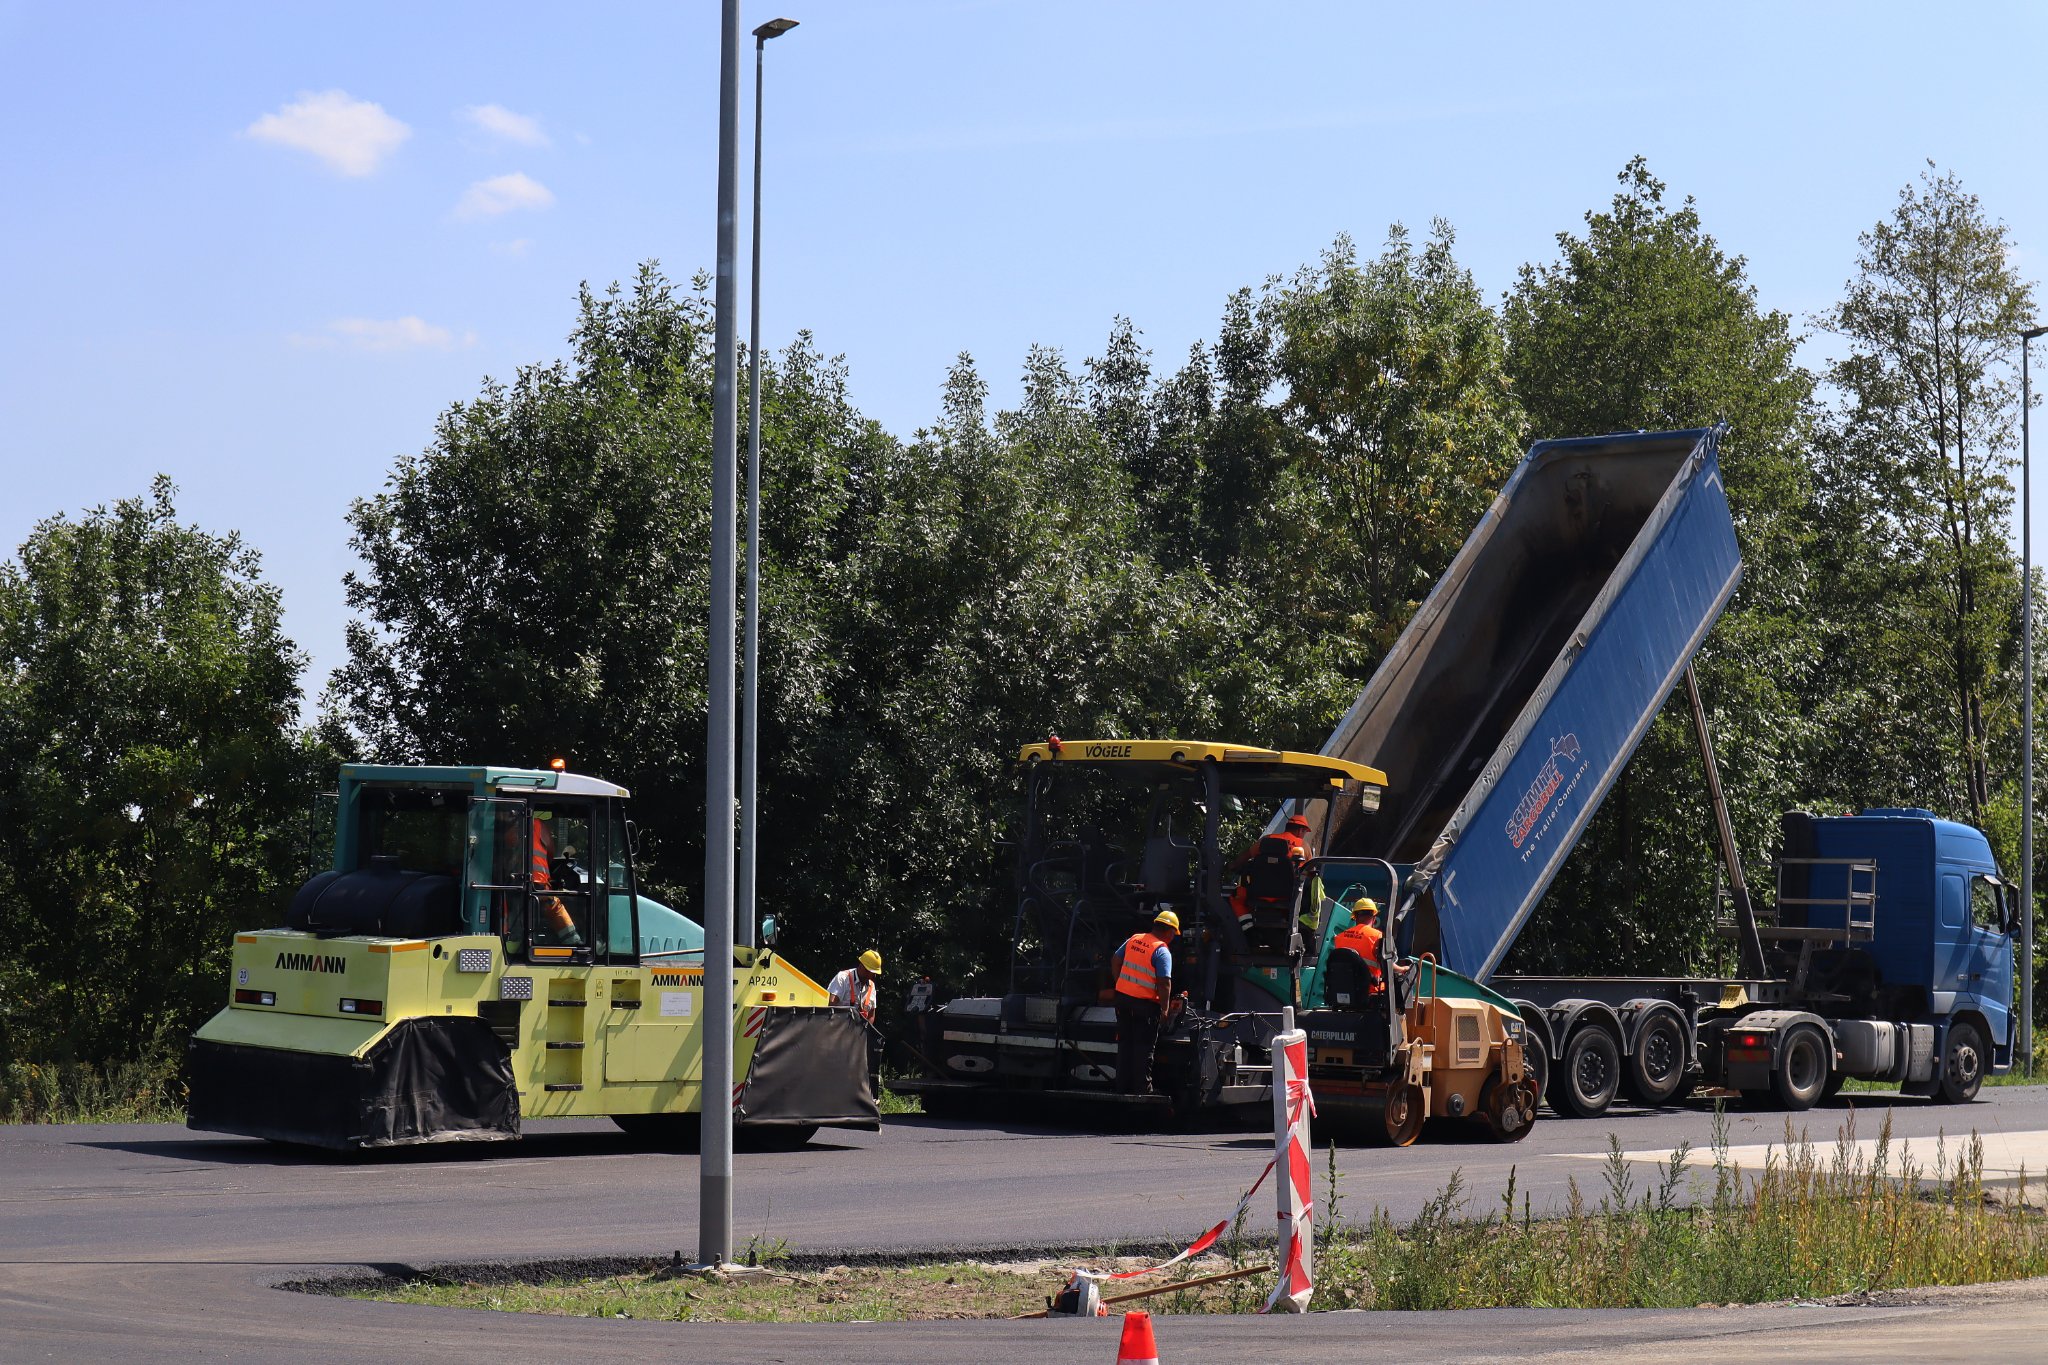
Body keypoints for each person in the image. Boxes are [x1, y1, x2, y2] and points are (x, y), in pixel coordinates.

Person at [1112, 909, 1180, 1095]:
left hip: (1123, 1001)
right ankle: (1143, 1088)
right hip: (1145, 1006)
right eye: (1174, 933)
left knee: (1125, 1044)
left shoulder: (1134, 939)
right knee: (1143, 1048)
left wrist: (1120, 983)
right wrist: (1165, 1010)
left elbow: (1115, 960)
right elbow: (1164, 982)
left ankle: (1121, 1086)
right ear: (1170, 931)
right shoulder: (1161, 950)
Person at [1331, 894, 1385, 990]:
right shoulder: (1377, 936)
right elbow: (1387, 964)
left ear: (1355, 916)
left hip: (1343, 990)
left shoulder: (1339, 937)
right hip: (1368, 993)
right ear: (1374, 917)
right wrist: (1403, 969)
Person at [828, 949, 882, 1024]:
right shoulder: (843, 978)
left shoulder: (871, 987)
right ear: (861, 965)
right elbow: (831, 1004)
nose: (872, 975)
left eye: (874, 973)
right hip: (838, 1027)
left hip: (856, 1032)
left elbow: (871, 1016)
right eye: (869, 971)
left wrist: (865, 1032)